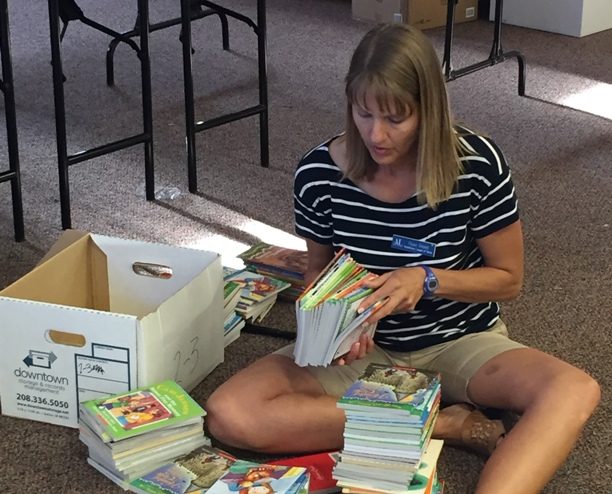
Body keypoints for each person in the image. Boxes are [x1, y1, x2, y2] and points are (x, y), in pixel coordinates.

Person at [205, 24, 600, 493]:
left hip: (458, 339)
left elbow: (508, 280)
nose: (376, 134)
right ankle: (441, 424)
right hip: (365, 348)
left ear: (428, 110)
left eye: (396, 118)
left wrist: (427, 280)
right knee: (230, 414)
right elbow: (318, 272)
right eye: (364, 113)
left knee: (574, 390)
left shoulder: (476, 164)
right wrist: (335, 322)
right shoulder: (319, 172)